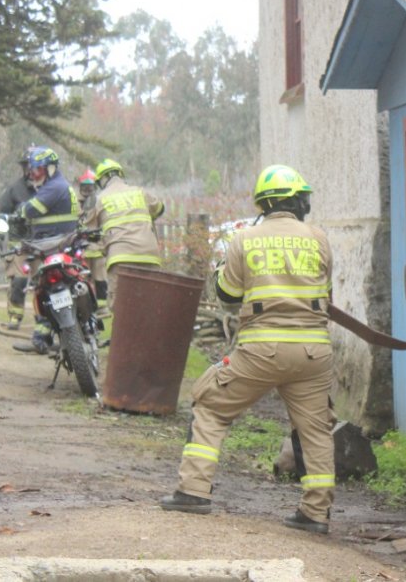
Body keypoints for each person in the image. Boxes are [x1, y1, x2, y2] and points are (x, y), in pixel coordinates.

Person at [160, 165, 337, 535]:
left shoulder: (245, 239)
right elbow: (325, 293)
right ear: (295, 202)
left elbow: (227, 295)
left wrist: (221, 269)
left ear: (264, 203)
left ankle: (193, 490)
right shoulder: (318, 238)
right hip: (313, 352)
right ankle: (316, 513)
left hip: (261, 350)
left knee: (210, 402)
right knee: (315, 429)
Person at [12, 146, 80, 354]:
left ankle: (45, 337)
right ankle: (44, 337)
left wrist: (20, 211)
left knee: (45, 289)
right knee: (45, 290)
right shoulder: (55, 186)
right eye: (32, 170)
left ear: (50, 168)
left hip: (53, 246)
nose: (33, 175)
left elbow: (32, 209)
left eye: (37, 170)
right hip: (57, 245)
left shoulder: (54, 187)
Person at [87, 159, 164, 312]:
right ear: (120, 175)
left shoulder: (99, 200)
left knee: (120, 306)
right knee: (151, 304)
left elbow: (89, 231)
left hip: (120, 257)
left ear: (103, 179)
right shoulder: (139, 192)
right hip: (149, 255)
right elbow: (159, 209)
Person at [0, 150, 36, 330]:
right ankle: (15, 316)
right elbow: (0, 215)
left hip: (44, 244)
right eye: (28, 167)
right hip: (19, 245)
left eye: (35, 167)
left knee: (47, 282)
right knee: (19, 282)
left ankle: (46, 320)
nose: (32, 171)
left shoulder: (50, 189)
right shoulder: (14, 190)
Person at [76, 169, 108, 315]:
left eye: (90, 187)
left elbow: (104, 221)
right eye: (85, 187)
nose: (88, 190)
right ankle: (85, 306)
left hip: (96, 246)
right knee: (82, 278)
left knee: (100, 277)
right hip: (81, 247)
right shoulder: (75, 202)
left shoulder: (99, 202)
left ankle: (102, 306)